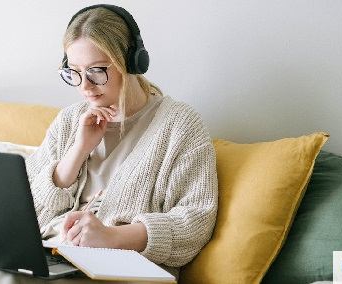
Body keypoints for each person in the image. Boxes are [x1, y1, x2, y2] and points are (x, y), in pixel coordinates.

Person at [24, 4, 219, 278]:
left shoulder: (180, 124)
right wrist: (78, 151)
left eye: (96, 70)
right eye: (74, 72)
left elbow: (195, 223)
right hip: (52, 258)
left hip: (120, 271)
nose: (84, 86)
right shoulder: (70, 120)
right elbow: (26, 213)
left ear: (131, 62)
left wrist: (112, 237)